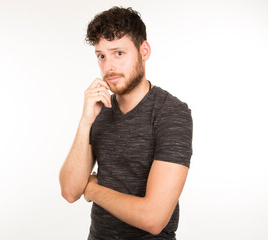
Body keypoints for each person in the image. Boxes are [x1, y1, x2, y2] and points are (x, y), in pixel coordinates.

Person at [59, 6, 193, 240]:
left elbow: (154, 219)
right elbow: (70, 191)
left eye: (118, 53)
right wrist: (85, 121)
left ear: (144, 51)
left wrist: (91, 189)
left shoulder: (171, 113)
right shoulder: (100, 110)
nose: (108, 66)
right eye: (101, 56)